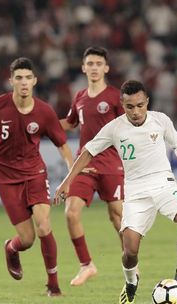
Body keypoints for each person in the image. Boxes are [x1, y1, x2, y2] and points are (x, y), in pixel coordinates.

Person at [54, 80, 177, 304]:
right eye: (129, 107)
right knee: (130, 252)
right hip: (136, 192)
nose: (135, 112)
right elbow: (88, 151)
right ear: (122, 105)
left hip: (164, 183)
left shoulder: (161, 120)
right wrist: (67, 181)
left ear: (147, 102)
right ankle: (131, 282)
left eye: (139, 105)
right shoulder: (115, 128)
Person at [0, 57, 73, 296]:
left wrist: (71, 176)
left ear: (35, 81)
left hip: (35, 173)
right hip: (6, 176)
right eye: (18, 78)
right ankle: (11, 248)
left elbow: (63, 146)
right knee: (27, 239)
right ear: (11, 81)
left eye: (28, 77)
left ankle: (53, 285)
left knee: (43, 224)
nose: (24, 82)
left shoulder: (45, 111)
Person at [59, 47, 125, 286]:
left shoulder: (116, 97)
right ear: (83, 67)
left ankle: (131, 263)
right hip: (84, 162)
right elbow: (69, 123)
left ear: (106, 68)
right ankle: (87, 264)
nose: (94, 67)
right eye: (90, 63)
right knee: (71, 212)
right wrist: (42, 123)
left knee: (117, 217)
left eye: (99, 63)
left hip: (111, 164)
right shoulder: (79, 97)